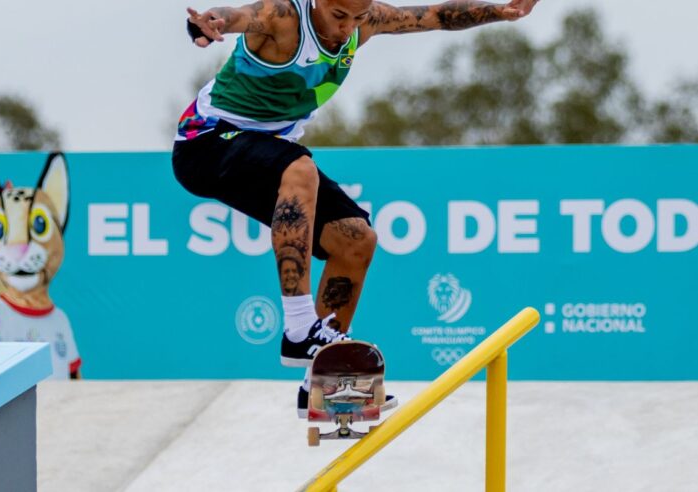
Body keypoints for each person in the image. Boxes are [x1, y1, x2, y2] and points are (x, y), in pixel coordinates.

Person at [172, 0, 539, 416]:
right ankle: (298, 328)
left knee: (356, 239)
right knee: (300, 168)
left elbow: (435, 16)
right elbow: (237, 15)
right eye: (338, 17)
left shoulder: (366, 21)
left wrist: (499, 11)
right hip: (206, 143)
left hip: (264, 153)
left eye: (357, 19)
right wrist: (209, 25)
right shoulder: (283, 16)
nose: (347, 31)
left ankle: (327, 387)